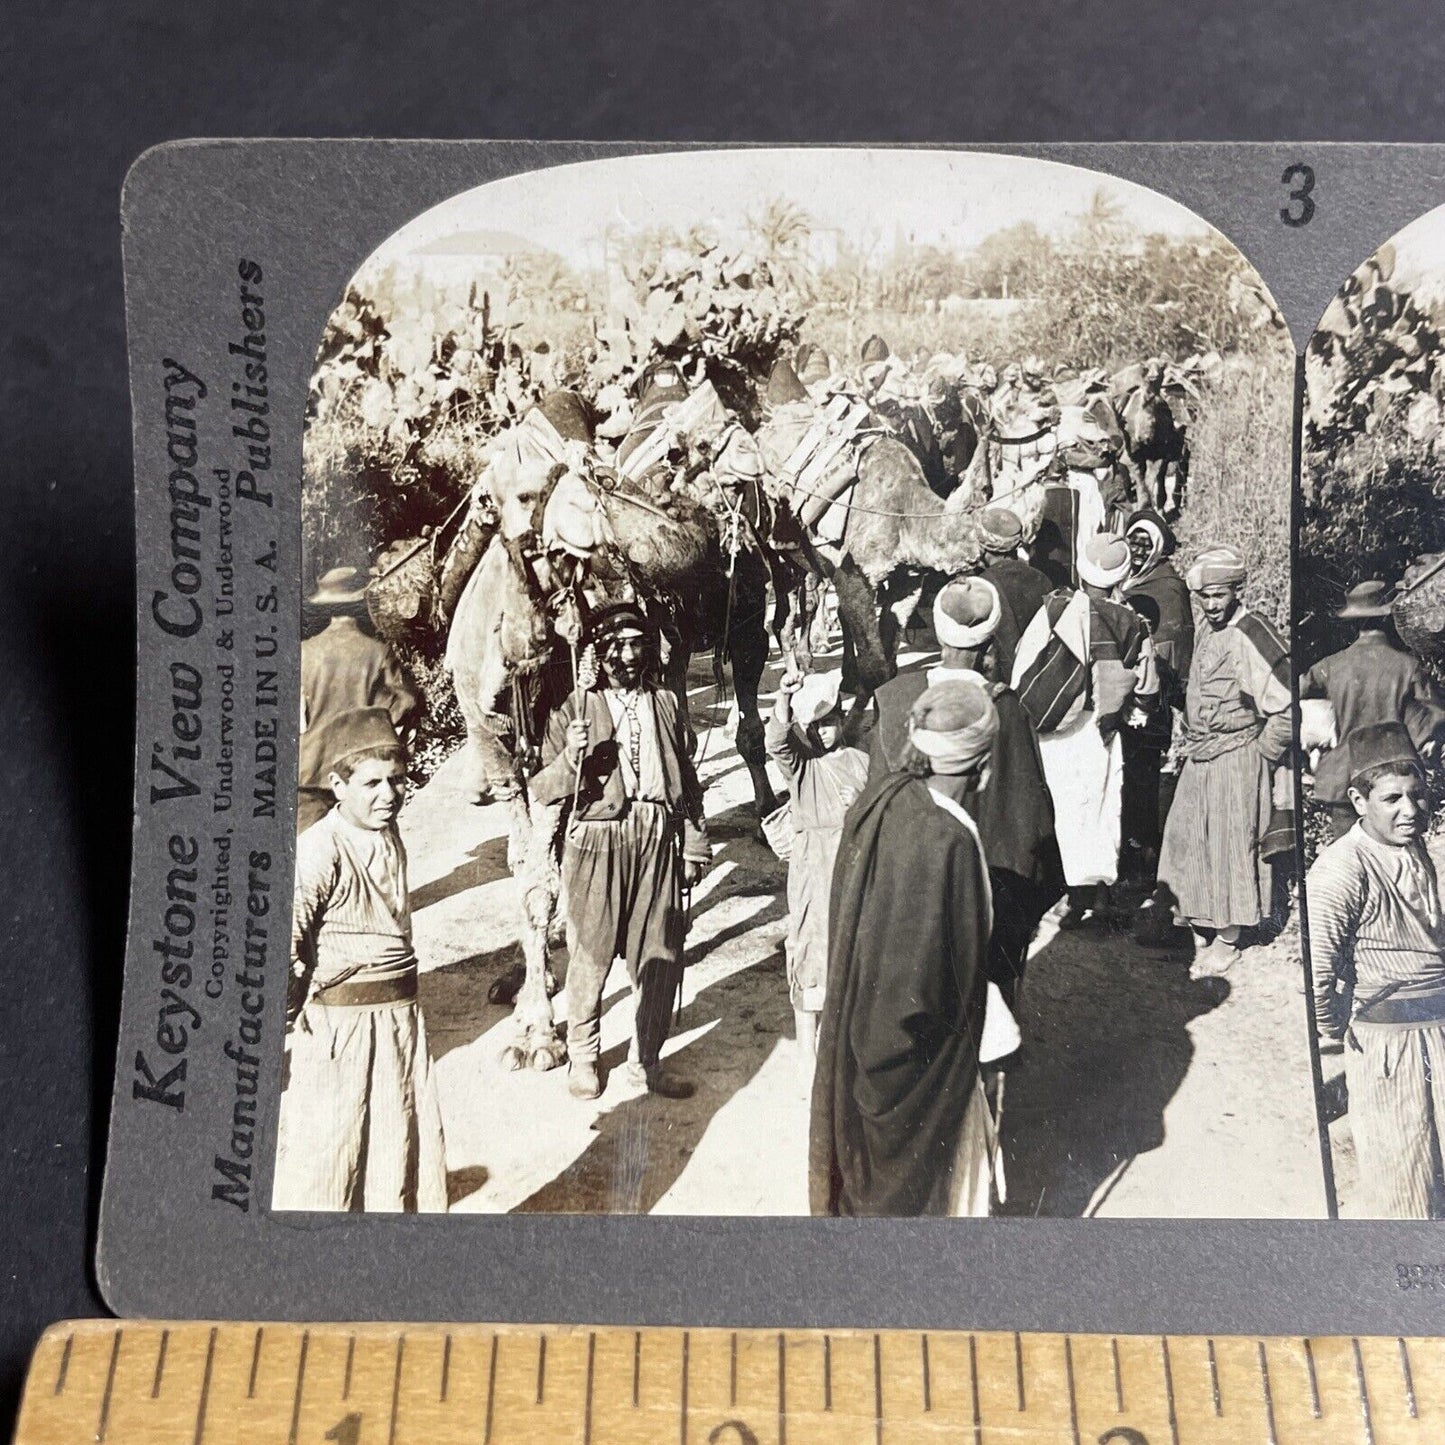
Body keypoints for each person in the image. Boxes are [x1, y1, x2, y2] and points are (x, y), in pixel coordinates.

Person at [811, 679, 1000, 1216]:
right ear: (982, 765)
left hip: (857, 1040)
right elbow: (908, 998)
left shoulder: (885, 797)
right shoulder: (946, 842)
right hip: (899, 1070)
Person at [530, 603, 711, 1101]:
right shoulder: (575, 708)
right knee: (589, 952)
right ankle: (584, 1056)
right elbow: (542, 790)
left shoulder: (667, 702)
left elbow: (686, 780)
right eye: (617, 646)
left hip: (656, 835)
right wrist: (571, 757)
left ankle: (647, 1061)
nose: (629, 656)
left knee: (660, 952)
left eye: (638, 644)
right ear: (598, 653)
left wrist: (694, 842)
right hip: (595, 842)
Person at [275, 709, 447, 1213]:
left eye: (397, 781)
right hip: (341, 1031)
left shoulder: (388, 834)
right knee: (334, 1159)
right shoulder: (319, 850)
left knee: (399, 1156)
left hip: (400, 1021)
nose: (389, 795)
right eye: (371, 783)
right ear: (337, 785)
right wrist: (292, 1018)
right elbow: (282, 944)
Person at [871, 576, 1064, 1004]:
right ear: (990, 639)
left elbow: (875, 802)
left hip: (910, 892)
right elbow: (1031, 816)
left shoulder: (894, 697)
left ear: (938, 630)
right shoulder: (1006, 710)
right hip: (986, 893)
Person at [1307, 723, 1445, 1218]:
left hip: (1441, 1033)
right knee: (1402, 1182)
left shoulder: (1415, 848)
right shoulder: (1341, 868)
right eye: (1391, 799)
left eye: (1416, 795)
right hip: (1389, 1046)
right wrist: (1331, 1029)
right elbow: (1317, 969)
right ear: (1358, 800)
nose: (1409, 810)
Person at [1156, 545, 1292, 974]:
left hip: (1238, 755)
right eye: (1205, 597)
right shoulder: (1210, 630)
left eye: (1220, 595)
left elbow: (1288, 706)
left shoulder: (1252, 633)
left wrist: (1263, 753)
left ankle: (1229, 939)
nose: (1212, 605)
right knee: (1190, 837)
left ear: (1237, 590)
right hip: (1203, 753)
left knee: (1232, 843)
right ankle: (1198, 923)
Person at [1013, 533, 1158, 928]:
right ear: (1124, 575)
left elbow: (1022, 664)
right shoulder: (1131, 622)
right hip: (1100, 730)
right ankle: (1094, 897)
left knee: (1062, 807)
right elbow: (1147, 687)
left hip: (1053, 728)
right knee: (1100, 809)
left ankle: (1064, 895)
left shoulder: (1056, 607)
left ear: (1081, 568)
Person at [765, 667, 869, 1071]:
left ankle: (841, 1043)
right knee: (810, 946)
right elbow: (776, 742)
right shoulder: (802, 766)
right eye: (817, 725)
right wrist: (784, 698)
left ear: (842, 722)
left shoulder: (860, 762)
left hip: (851, 866)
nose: (824, 732)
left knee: (849, 945)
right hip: (813, 868)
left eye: (830, 723)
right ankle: (808, 1054)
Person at [1301, 579, 1445, 840]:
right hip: (1393, 779)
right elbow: (1435, 715)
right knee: (1397, 857)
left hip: (1345, 779)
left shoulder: (1330, 666)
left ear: (1354, 623)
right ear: (1388, 619)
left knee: (1349, 858)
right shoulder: (1408, 666)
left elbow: (1296, 694)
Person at [299, 566, 420, 833]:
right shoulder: (378, 652)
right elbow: (406, 702)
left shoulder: (304, 652)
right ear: (359, 606)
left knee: (309, 855)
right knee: (372, 845)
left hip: (310, 768)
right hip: (361, 770)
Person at [1119, 507, 1196, 886]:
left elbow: (1174, 645)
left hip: (1154, 696)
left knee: (1144, 776)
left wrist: (1156, 690)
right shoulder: (1133, 579)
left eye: (1144, 542)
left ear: (1159, 547)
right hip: (1134, 690)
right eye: (1132, 539)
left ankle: (1145, 859)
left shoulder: (1167, 587)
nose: (1135, 548)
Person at [976, 506, 1052, 679]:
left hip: (1001, 683)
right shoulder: (1042, 578)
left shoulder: (983, 585)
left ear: (982, 546)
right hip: (1036, 680)